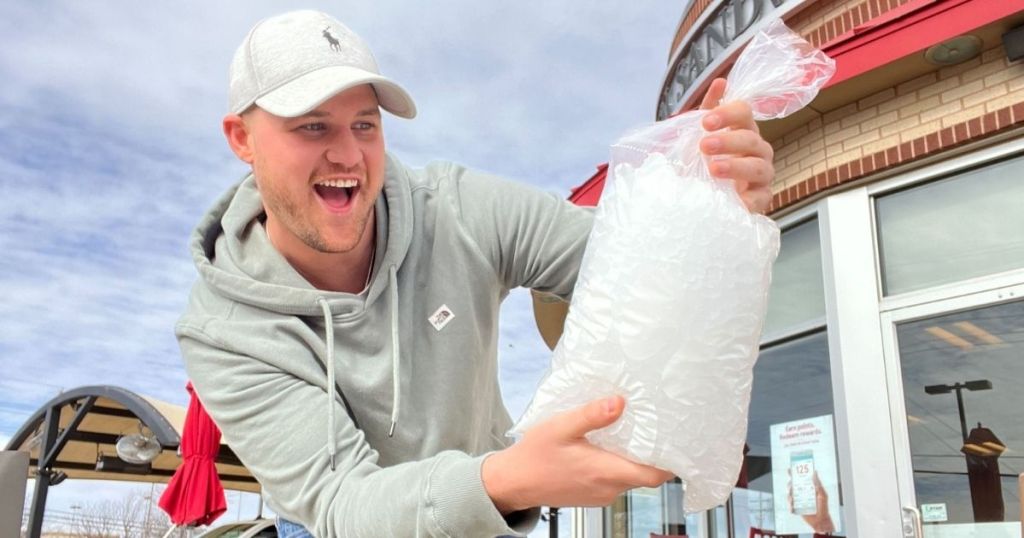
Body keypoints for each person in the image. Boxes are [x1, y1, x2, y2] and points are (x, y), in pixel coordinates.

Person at [178, 9, 775, 538]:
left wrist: (709, 208)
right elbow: (342, 503)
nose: (347, 153)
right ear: (242, 139)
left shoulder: (458, 208)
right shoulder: (223, 329)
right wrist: (505, 480)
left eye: (365, 124)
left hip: (478, 514)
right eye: (312, 125)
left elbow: (627, 262)